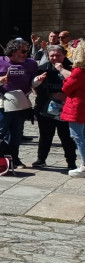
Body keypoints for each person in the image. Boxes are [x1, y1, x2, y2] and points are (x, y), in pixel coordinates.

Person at [0, 39, 40, 168]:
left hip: (20, 102)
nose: (26, 54)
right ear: (14, 52)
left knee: (17, 132)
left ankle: (14, 158)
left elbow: (31, 83)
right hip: (2, 102)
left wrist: (37, 80)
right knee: (0, 131)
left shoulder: (30, 64)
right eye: (23, 51)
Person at [32, 45, 77, 170]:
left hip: (67, 109)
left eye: (58, 55)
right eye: (52, 55)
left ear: (64, 55)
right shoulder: (42, 69)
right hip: (45, 108)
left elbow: (75, 82)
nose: (55, 58)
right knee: (45, 135)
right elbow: (34, 85)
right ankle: (41, 159)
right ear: (47, 56)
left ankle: (71, 162)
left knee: (67, 137)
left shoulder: (72, 68)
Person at [60, 41, 85, 177]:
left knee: (78, 136)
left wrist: (64, 76)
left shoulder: (79, 71)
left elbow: (67, 88)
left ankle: (84, 166)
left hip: (77, 106)